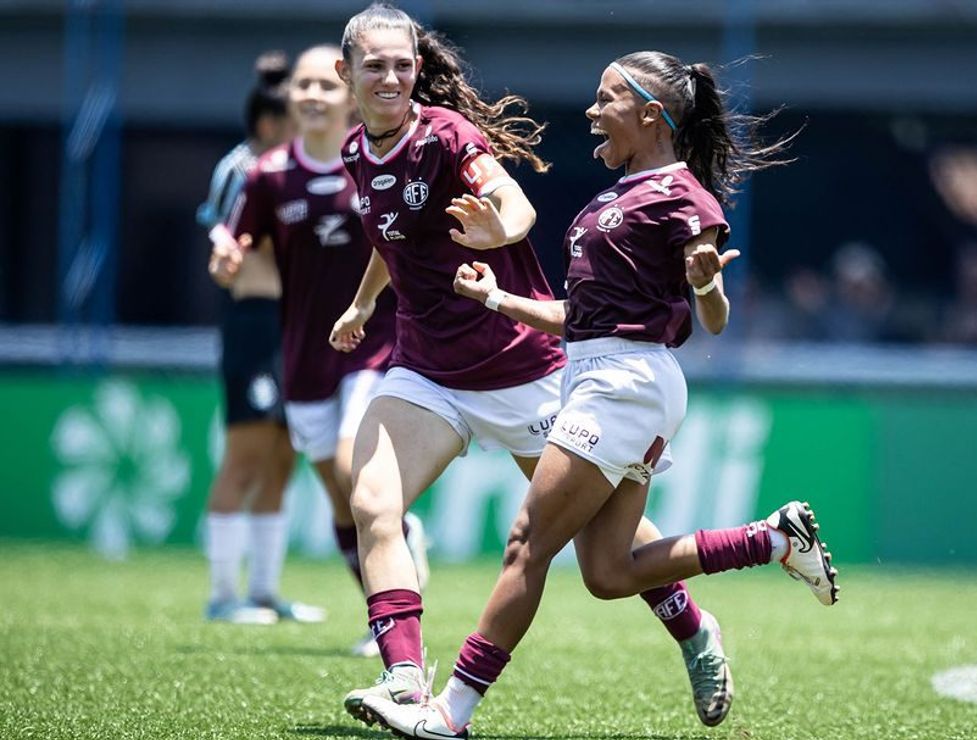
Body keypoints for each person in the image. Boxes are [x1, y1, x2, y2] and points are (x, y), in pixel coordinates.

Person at [358, 51, 838, 739]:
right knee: (609, 571)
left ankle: (450, 713)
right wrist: (497, 298)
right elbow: (581, 320)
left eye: (607, 97)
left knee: (527, 544)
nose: (591, 110)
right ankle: (770, 540)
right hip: (597, 374)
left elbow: (713, 317)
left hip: (628, 384)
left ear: (651, 114)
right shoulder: (607, 200)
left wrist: (706, 283)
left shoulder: (683, 196)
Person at [327, 4, 734, 727]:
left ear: (417, 71)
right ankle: (405, 681)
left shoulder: (447, 135)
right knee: (372, 504)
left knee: (605, 545)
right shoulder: (357, 150)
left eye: (402, 65)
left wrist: (500, 229)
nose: (390, 77)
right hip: (426, 370)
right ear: (346, 72)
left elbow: (514, 206)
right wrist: (363, 305)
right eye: (375, 65)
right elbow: (391, 237)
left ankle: (695, 630)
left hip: (522, 369)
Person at [210, 44, 425, 655]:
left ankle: (397, 617)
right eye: (301, 85)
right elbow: (232, 244)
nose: (311, 95)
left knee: (353, 467)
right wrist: (225, 258)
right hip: (304, 356)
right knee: (341, 495)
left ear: (348, 92)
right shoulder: (268, 174)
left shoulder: (378, 162)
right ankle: (385, 606)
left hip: (377, 343)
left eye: (324, 85)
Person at [196, 51, 312, 625]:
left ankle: (264, 592)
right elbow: (226, 246)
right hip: (254, 322)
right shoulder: (242, 169)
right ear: (270, 123)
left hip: (295, 321)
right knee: (244, 454)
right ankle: (222, 596)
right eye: (297, 117)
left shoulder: (299, 169)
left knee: (283, 457)